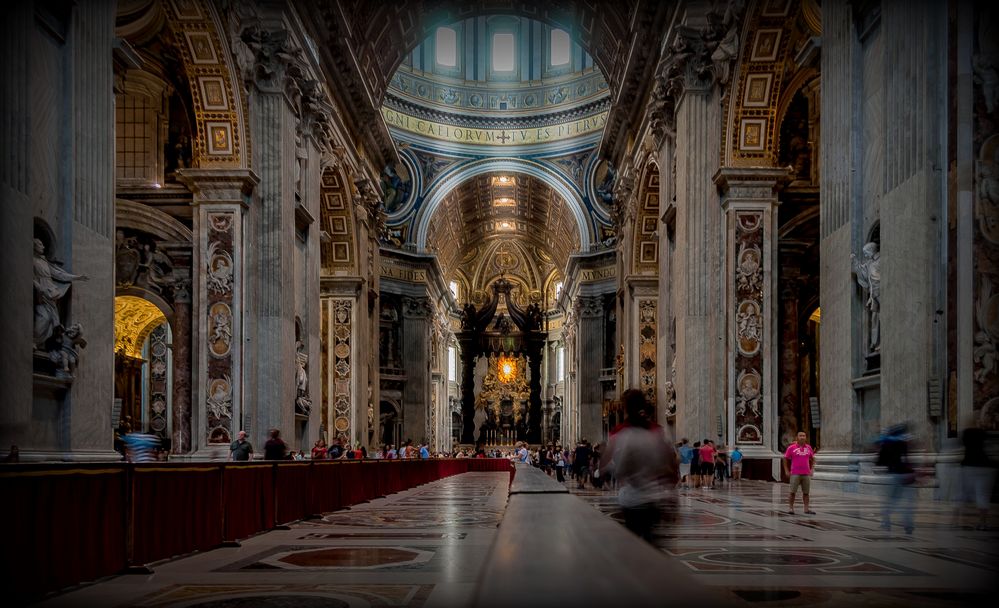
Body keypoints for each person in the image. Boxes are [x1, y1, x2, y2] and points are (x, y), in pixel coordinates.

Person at [600, 389, 678, 542]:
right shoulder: (656, 433)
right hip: (654, 499)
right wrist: (671, 496)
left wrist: (606, 473)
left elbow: (621, 469)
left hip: (633, 500)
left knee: (631, 547)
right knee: (651, 544)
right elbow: (669, 465)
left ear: (626, 409)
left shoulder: (624, 434)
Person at [876, 423, 916, 533]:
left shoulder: (887, 443)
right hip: (907, 475)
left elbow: (879, 461)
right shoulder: (904, 442)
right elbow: (907, 459)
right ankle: (908, 525)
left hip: (895, 474)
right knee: (908, 502)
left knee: (892, 501)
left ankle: (886, 522)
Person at [960, 423, 995, 530]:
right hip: (985, 466)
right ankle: (982, 522)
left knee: (966, 494)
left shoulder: (966, 432)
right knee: (982, 496)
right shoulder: (982, 432)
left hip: (970, 466)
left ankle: (961, 520)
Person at [783, 431, 816, 515]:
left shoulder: (808, 448)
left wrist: (812, 469)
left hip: (806, 473)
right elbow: (785, 458)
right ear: (797, 437)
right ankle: (791, 508)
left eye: (804, 436)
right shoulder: (791, 448)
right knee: (792, 492)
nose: (802, 437)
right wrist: (786, 470)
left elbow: (813, 459)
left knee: (806, 493)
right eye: (800, 436)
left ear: (806, 437)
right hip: (795, 473)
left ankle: (806, 509)